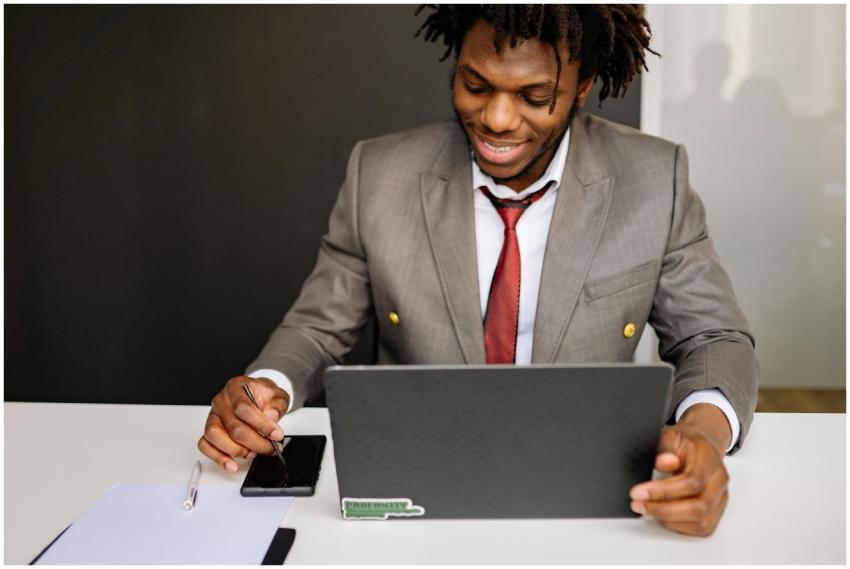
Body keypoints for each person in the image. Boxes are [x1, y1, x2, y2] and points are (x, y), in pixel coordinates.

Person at [198, 5, 758, 537]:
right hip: (418, 489)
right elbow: (318, 328)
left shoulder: (655, 179)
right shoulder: (380, 174)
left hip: (586, 498)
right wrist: (265, 387)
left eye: (535, 96)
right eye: (476, 85)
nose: (496, 119)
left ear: (582, 87)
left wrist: (701, 432)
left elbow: (714, 338)